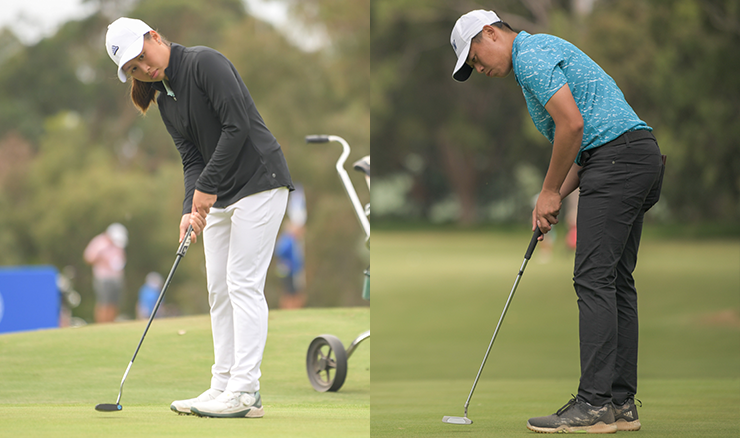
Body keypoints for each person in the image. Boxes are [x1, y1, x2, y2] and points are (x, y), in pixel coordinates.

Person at [450, 10, 664, 434]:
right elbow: (587, 146)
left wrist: (548, 191)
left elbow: (572, 126)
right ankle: (620, 405)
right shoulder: (540, 51)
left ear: (490, 33)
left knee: (593, 279)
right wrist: (551, 197)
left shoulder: (529, 55)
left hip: (618, 161)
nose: (480, 69)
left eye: (475, 58)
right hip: (638, 157)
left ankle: (594, 406)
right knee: (616, 280)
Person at [105, 17, 293, 418]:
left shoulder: (205, 63)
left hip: (260, 182)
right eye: (134, 69)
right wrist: (191, 208)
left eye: (142, 57)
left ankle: (245, 391)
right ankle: (222, 384)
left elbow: (236, 125)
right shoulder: (164, 99)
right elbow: (191, 158)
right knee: (217, 289)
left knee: (242, 283)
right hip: (220, 193)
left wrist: (206, 188)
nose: (145, 69)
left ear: (155, 37)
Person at [84, 223, 128, 323]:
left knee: (114, 303)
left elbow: (120, 260)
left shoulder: (118, 245)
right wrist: (100, 257)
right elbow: (88, 258)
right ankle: (101, 324)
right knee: (104, 303)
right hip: (103, 278)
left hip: (117, 278)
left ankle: (111, 324)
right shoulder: (99, 242)